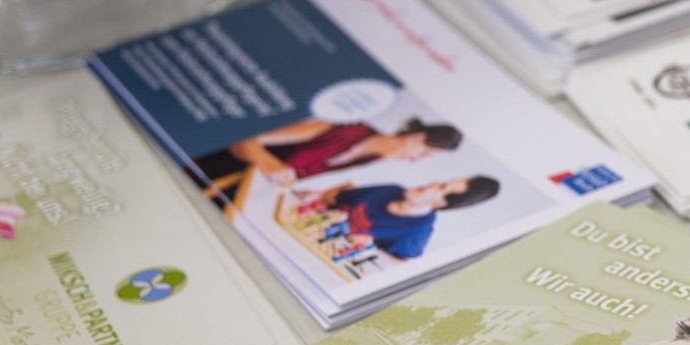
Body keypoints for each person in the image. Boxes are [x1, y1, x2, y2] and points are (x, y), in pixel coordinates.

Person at [194, 116, 463, 195]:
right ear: (416, 138)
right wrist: (268, 162)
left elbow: (293, 173)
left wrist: (299, 191)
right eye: (425, 153)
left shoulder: (369, 158)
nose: (416, 160)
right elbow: (242, 138)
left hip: (240, 191)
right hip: (206, 172)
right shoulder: (345, 127)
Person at [302, 177, 501, 262]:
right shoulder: (391, 189)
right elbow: (332, 198)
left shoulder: (419, 228)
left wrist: (371, 247)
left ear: (440, 202)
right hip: (304, 231)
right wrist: (314, 196)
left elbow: (401, 265)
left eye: (441, 187)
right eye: (441, 181)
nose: (432, 182)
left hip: (320, 255)